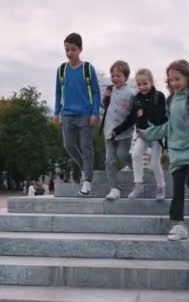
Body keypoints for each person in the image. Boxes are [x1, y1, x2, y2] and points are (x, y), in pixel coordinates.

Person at [138, 59, 189, 241]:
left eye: (177, 79)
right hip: (176, 152)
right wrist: (148, 133)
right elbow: (169, 126)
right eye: (171, 80)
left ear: (188, 78)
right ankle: (178, 226)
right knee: (177, 192)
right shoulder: (171, 100)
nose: (174, 83)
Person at [53, 32, 101, 196]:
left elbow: (96, 93)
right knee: (68, 145)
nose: (69, 53)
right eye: (67, 49)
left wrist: (95, 112)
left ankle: (87, 181)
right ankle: (84, 168)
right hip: (67, 114)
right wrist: (56, 112)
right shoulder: (62, 70)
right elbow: (58, 93)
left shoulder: (88, 69)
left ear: (80, 49)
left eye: (73, 49)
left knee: (86, 148)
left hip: (85, 115)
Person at [126, 68, 167, 200]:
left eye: (145, 83)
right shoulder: (136, 98)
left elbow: (160, 116)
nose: (142, 87)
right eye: (139, 84)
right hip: (143, 134)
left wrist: (144, 110)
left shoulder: (159, 96)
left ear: (151, 82)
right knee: (136, 154)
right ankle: (138, 185)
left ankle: (161, 187)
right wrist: (118, 130)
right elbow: (133, 117)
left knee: (154, 162)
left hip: (156, 133)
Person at [100, 60, 135, 200]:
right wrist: (106, 98)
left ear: (125, 77)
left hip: (124, 132)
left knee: (122, 154)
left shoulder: (131, 93)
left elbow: (133, 113)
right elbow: (105, 106)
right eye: (113, 75)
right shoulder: (109, 90)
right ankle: (114, 188)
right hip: (109, 130)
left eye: (118, 76)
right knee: (109, 160)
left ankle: (136, 171)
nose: (115, 78)